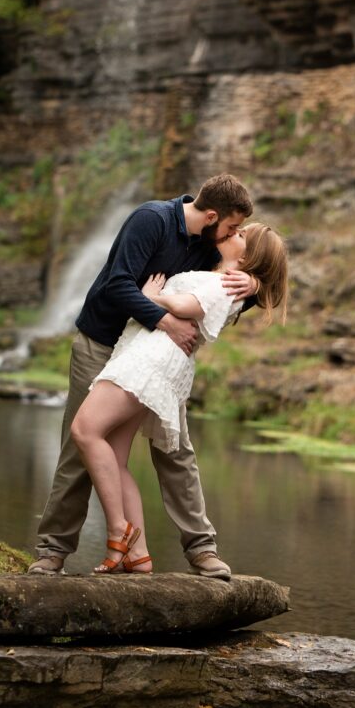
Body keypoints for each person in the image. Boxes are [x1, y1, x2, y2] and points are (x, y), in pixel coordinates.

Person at [27, 174, 258, 579]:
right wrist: (166, 319)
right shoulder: (150, 220)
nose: (234, 234)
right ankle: (52, 552)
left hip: (153, 357)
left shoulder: (210, 244)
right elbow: (118, 284)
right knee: (79, 446)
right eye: (232, 227)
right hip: (101, 344)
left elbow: (224, 293)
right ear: (211, 215)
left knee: (175, 450)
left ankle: (202, 550)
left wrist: (253, 283)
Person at [71, 222, 289, 574]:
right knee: (115, 454)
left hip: (151, 359)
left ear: (247, 256)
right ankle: (138, 554)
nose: (230, 233)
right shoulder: (223, 274)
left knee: (85, 430)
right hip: (146, 354)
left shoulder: (226, 283)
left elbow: (188, 306)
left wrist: (151, 296)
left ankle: (118, 531)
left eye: (239, 235)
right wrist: (256, 282)